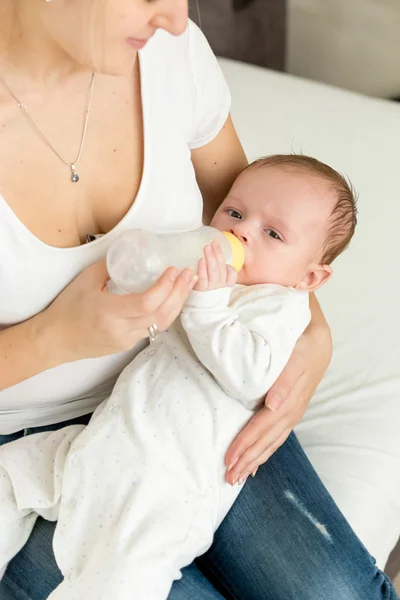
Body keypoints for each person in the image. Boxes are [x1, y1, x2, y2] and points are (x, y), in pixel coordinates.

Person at [0, 2, 396, 599]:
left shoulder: (166, 54)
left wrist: (313, 337)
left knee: (334, 592)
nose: (177, 19)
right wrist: (56, 337)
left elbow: (262, 218)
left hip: (196, 399)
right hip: (28, 433)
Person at [0, 154, 357, 600]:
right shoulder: (204, 272)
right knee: (9, 476)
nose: (241, 232)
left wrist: (206, 305)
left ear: (309, 277)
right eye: (235, 212)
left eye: (273, 233)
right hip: (104, 441)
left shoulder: (279, 306)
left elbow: (250, 376)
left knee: (122, 579)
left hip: (165, 488)